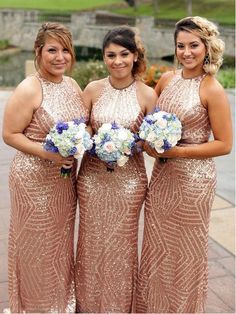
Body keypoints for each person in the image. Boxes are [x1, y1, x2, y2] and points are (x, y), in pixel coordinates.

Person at [136, 16, 233, 313]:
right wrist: (149, 144)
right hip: (163, 176)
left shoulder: (212, 89)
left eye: (194, 45)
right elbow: (147, 118)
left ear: (207, 47)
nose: (187, 52)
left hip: (194, 180)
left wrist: (178, 153)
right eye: (181, 46)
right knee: (157, 243)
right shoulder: (167, 79)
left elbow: (224, 144)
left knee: (184, 249)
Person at [2, 22, 88, 313]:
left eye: (66, 50)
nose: (60, 57)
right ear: (38, 52)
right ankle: (33, 306)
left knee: (58, 245)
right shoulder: (29, 88)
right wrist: (49, 155)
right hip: (33, 179)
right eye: (52, 50)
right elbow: (10, 134)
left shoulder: (73, 85)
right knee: (35, 245)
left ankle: (57, 303)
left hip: (63, 182)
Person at [74, 26, 157, 312]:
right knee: (91, 243)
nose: (117, 61)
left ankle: (117, 307)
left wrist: (137, 143)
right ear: (104, 57)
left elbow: (152, 143)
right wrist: (85, 137)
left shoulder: (147, 95)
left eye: (124, 54)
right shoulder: (93, 89)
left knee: (122, 247)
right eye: (111, 55)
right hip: (92, 179)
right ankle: (88, 305)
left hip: (129, 183)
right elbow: (82, 125)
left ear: (135, 56)